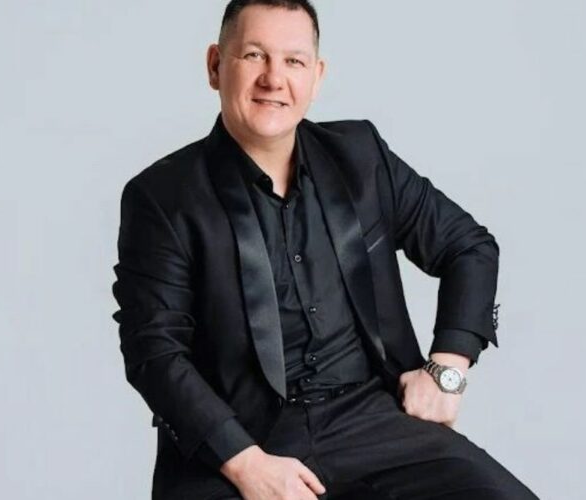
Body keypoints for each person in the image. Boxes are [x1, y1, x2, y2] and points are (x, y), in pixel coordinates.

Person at [111, 1, 539, 498]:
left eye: (293, 61)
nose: (274, 79)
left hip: (372, 421)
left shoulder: (361, 156)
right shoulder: (162, 197)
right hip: (241, 441)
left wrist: (449, 368)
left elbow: (469, 247)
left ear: (316, 77)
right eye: (254, 55)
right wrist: (246, 464)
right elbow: (154, 351)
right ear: (215, 65)